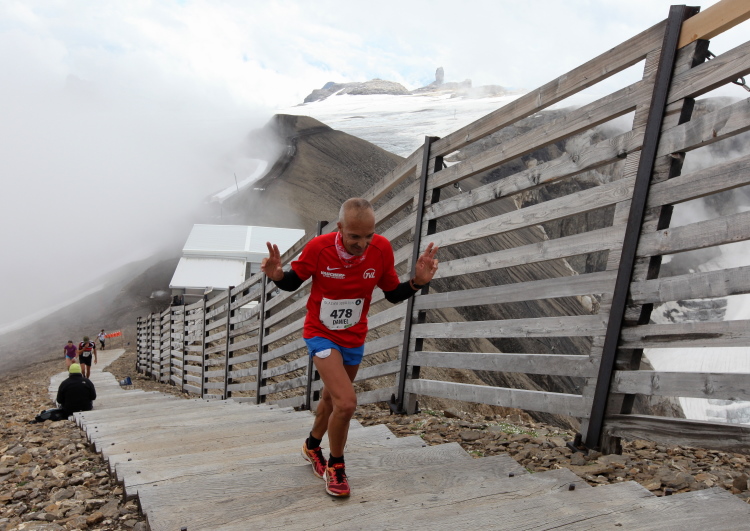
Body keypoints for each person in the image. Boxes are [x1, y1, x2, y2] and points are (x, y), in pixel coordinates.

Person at [261, 197, 439, 497]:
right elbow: (292, 281)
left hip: (354, 337)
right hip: (320, 333)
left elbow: (392, 293)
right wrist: (277, 275)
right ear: (340, 228)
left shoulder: (381, 249)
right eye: (354, 236)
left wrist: (417, 282)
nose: (362, 244)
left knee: (331, 400)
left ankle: (312, 446)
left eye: (369, 236)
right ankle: (336, 466)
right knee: (346, 403)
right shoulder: (319, 248)